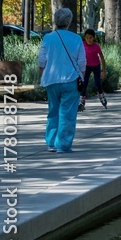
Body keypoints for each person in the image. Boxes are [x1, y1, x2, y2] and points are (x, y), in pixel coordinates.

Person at [39, 8, 86, 153]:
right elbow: (82, 62)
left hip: (52, 80)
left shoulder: (48, 38)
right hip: (71, 79)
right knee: (67, 113)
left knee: (53, 111)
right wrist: (82, 79)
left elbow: (42, 61)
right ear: (69, 21)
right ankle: (63, 144)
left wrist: (44, 76)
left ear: (55, 20)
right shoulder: (76, 38)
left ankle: (51, 142)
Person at [81, 29, 108, 110]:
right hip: (86, 66)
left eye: (90, 37)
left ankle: (101, 94)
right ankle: (82, 98)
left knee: (97, 82)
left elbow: (102, 58)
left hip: (96, 65)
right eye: (87, 37)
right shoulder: (82, 44)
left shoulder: (96, 46)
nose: (88, 39)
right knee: (84, 82)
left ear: (94, 38)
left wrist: (103, 70)